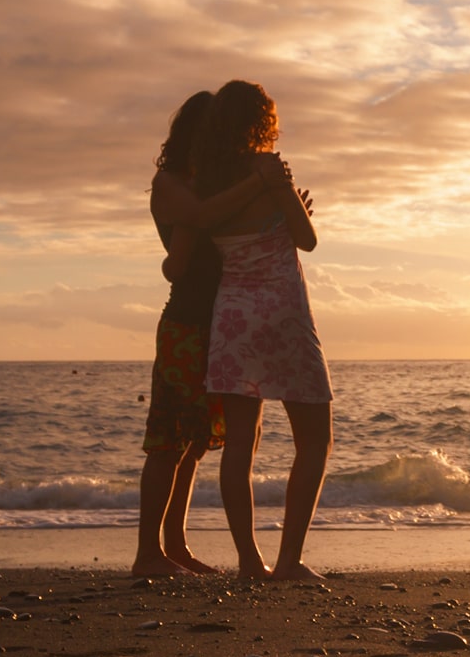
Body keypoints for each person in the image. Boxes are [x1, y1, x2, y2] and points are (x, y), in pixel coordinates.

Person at [133, 91, 289, 577]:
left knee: (195, 444)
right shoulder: (172, 183)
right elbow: (194, 228)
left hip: (220, 322)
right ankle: (147, 554)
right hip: (185, 324)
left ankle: (174, 546)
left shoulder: (212, 183)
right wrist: (260, 182)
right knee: (168, 441)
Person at [191, 79, 330, 582]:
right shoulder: (269, 171)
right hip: (283, 313)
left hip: (233, 315)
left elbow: (206, 225)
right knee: (314, 438)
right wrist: (286, 196)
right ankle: (289, 561)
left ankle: (251, 562)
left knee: (241, 444)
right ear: (262, 121)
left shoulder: (206, 180)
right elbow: (307, 240)